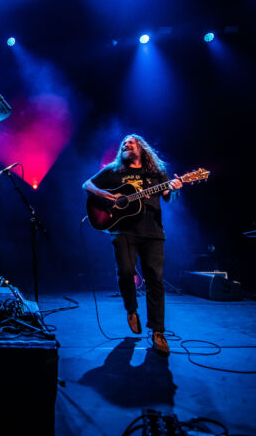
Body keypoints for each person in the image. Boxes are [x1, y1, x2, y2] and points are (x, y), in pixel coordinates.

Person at [82, 134, 182, 355]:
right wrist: (103, 194)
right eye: (123, 144)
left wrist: (174, 188)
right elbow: (87, 184)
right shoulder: (114, 171)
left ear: (141, 148)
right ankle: (131, 308)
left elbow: (167, 196)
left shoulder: (156, 173)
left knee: (155, 279)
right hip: (122, 230)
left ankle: (158, 332)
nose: (126, 145)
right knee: (126, 272)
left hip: (153, 232)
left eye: (131, 142)